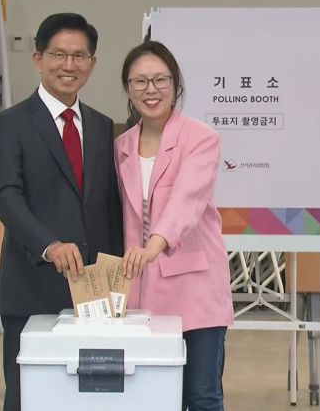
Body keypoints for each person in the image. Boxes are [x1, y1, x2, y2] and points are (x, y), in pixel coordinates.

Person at [0, 13, 123, 411]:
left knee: (89, 397)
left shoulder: (101, 126)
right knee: (28, 395)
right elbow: (6, 196)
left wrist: (116, 275)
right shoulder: (8, 124)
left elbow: (109, 205)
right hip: (32, 284)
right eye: (58, 54)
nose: (69, 65)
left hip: (94, 292)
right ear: (38, 59)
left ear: (92, 64)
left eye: (79, 56)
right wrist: (49, 245)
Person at [114, 40, 233, 411]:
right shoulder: (120, 146)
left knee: (201, 395)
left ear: (175, 84)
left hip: (195, 287)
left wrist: (153, 245)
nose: (151, 89)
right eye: (140, 81)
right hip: (141, 291)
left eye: (160, 79)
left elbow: (187, 199)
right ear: (128, 89)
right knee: (152, 397)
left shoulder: (201, 138)